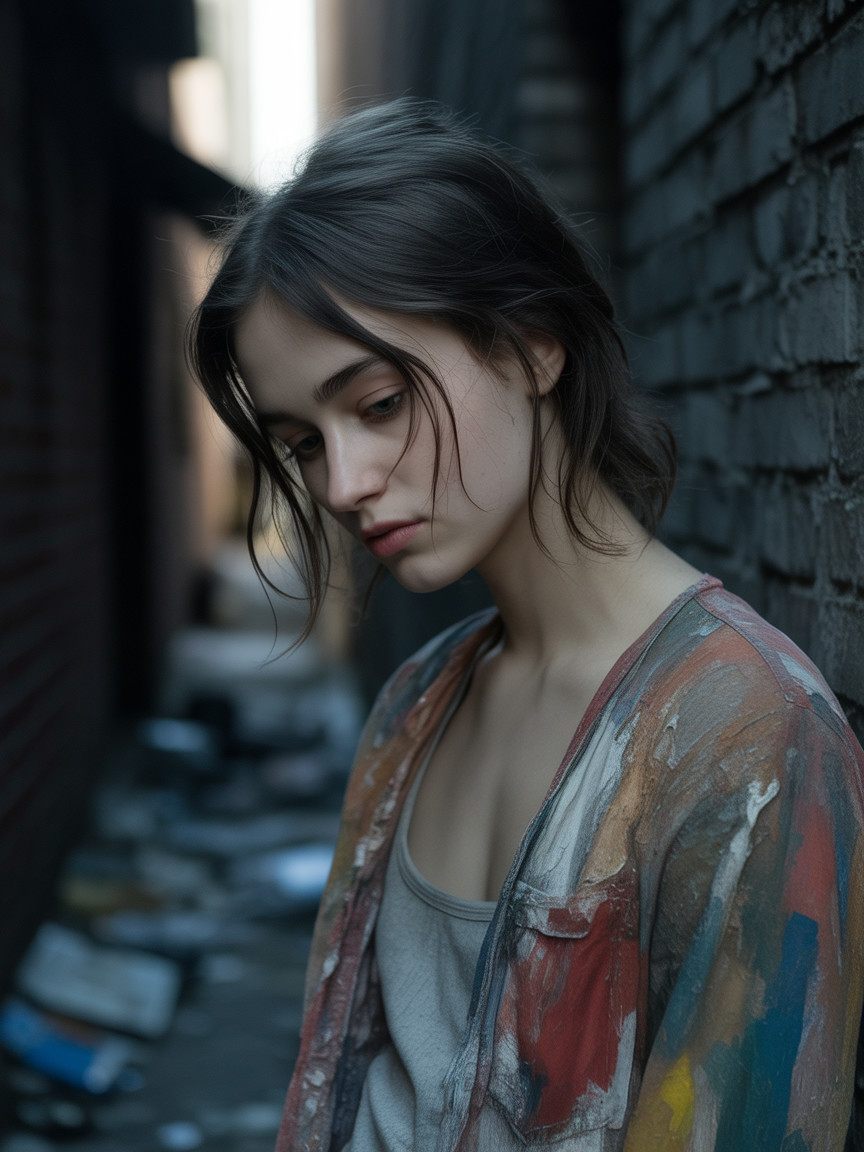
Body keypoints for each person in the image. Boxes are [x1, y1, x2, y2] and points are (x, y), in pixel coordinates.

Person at [189, 100, 864, 1152]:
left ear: (534, 345)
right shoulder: (416, 703)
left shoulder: (749, 739)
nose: (342, 482)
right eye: (302, 442)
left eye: (378, 404)